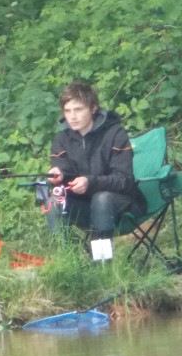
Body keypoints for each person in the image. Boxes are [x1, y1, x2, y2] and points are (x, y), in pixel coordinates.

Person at [45, 81, 146, 239]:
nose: (72, 116)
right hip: (84, 205)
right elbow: (64, 174)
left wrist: (90, 182)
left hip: (122, 204)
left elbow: (124, 180)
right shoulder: (61, 140)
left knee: (101, 199)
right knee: (53, 202)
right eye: (67, 111)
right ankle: (69, 253)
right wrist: (59, 175)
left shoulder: (115, 133)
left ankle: (101, 254)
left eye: (78, 109)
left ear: (93, 108)